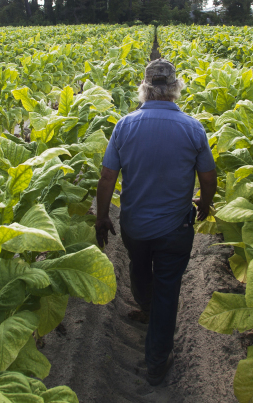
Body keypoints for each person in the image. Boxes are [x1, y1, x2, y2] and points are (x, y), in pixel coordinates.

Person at [94, 58, 217, 386]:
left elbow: (107, 177)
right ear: (175, 88)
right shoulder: (193, 127)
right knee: (168, 289)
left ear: (145, 89)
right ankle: (157, 362)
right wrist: (204, 204)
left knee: (138, 265)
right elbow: (208, 175)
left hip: (136, 226)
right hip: (176, 229)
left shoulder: (125, 125)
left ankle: (145, 307)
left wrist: (103, 216)